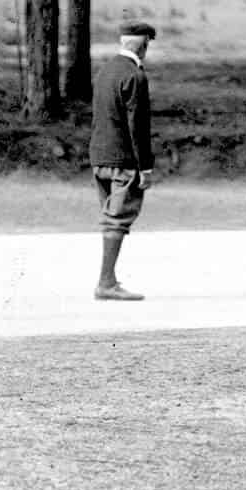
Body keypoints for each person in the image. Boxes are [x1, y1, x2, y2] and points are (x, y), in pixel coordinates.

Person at [88, 19, 158, 301]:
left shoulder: (106, 71)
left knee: (110, 218)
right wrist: (146, 167)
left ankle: (109, 279)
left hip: (99, 155)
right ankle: (106, 283)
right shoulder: (135, 76)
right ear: (144, 46)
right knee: (117, 220)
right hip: (124, 159)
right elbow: (137, 127)